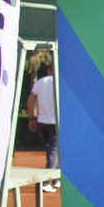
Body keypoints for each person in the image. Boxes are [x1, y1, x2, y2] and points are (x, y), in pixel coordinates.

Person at [27, 62, 59, 192]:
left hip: (42, 122)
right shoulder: (60, 82)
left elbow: (30, 100)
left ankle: (56, 179)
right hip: (56, 122)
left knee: (52, 151)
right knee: (53, 152)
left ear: (47, 70)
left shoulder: (40, 82)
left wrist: (31, 118)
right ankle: (46, 182)